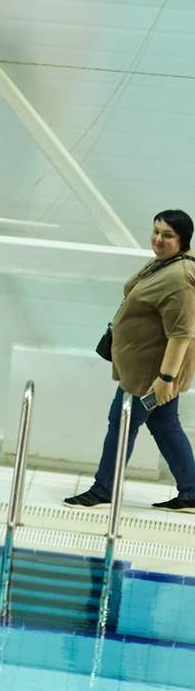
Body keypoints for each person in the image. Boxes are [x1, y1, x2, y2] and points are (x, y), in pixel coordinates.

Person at [65, 211, 195, 510]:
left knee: (121, 423)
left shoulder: (178, 278)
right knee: (165, 424)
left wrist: (164, 380)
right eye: (156, 231)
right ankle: (191, 490)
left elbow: (181, 334)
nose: (158, 239)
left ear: (183, 240)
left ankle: (104, 488)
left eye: (167, 235)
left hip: (151, 375)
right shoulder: (165, 262)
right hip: (145, 368)